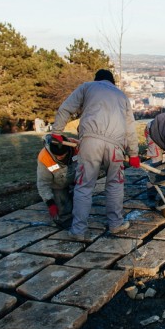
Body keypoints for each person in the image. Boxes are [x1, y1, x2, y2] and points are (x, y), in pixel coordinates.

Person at [50, 69, 140, 235]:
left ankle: (78, 230)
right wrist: (133, 153)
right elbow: (130, 129)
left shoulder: (87, 87)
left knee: (84, 186)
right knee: (115, 185)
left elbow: (66, 108)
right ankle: (115, 224)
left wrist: (57, 130)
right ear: (112, 82)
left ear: (97, 79)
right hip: (116, 147)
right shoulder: (122, 96)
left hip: (90, 142)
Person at [36, 133, 78, 227]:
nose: (59, 158)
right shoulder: (44, 157)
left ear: (67, 151)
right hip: (58, 185)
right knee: (63, 209)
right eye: (57, 156)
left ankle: (74, 200)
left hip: (76, 181)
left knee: (82, 200)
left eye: (62, 156)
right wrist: (50, 203)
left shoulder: (75, 147)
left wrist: (81, 178)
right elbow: (43, 183)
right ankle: (65, 217)